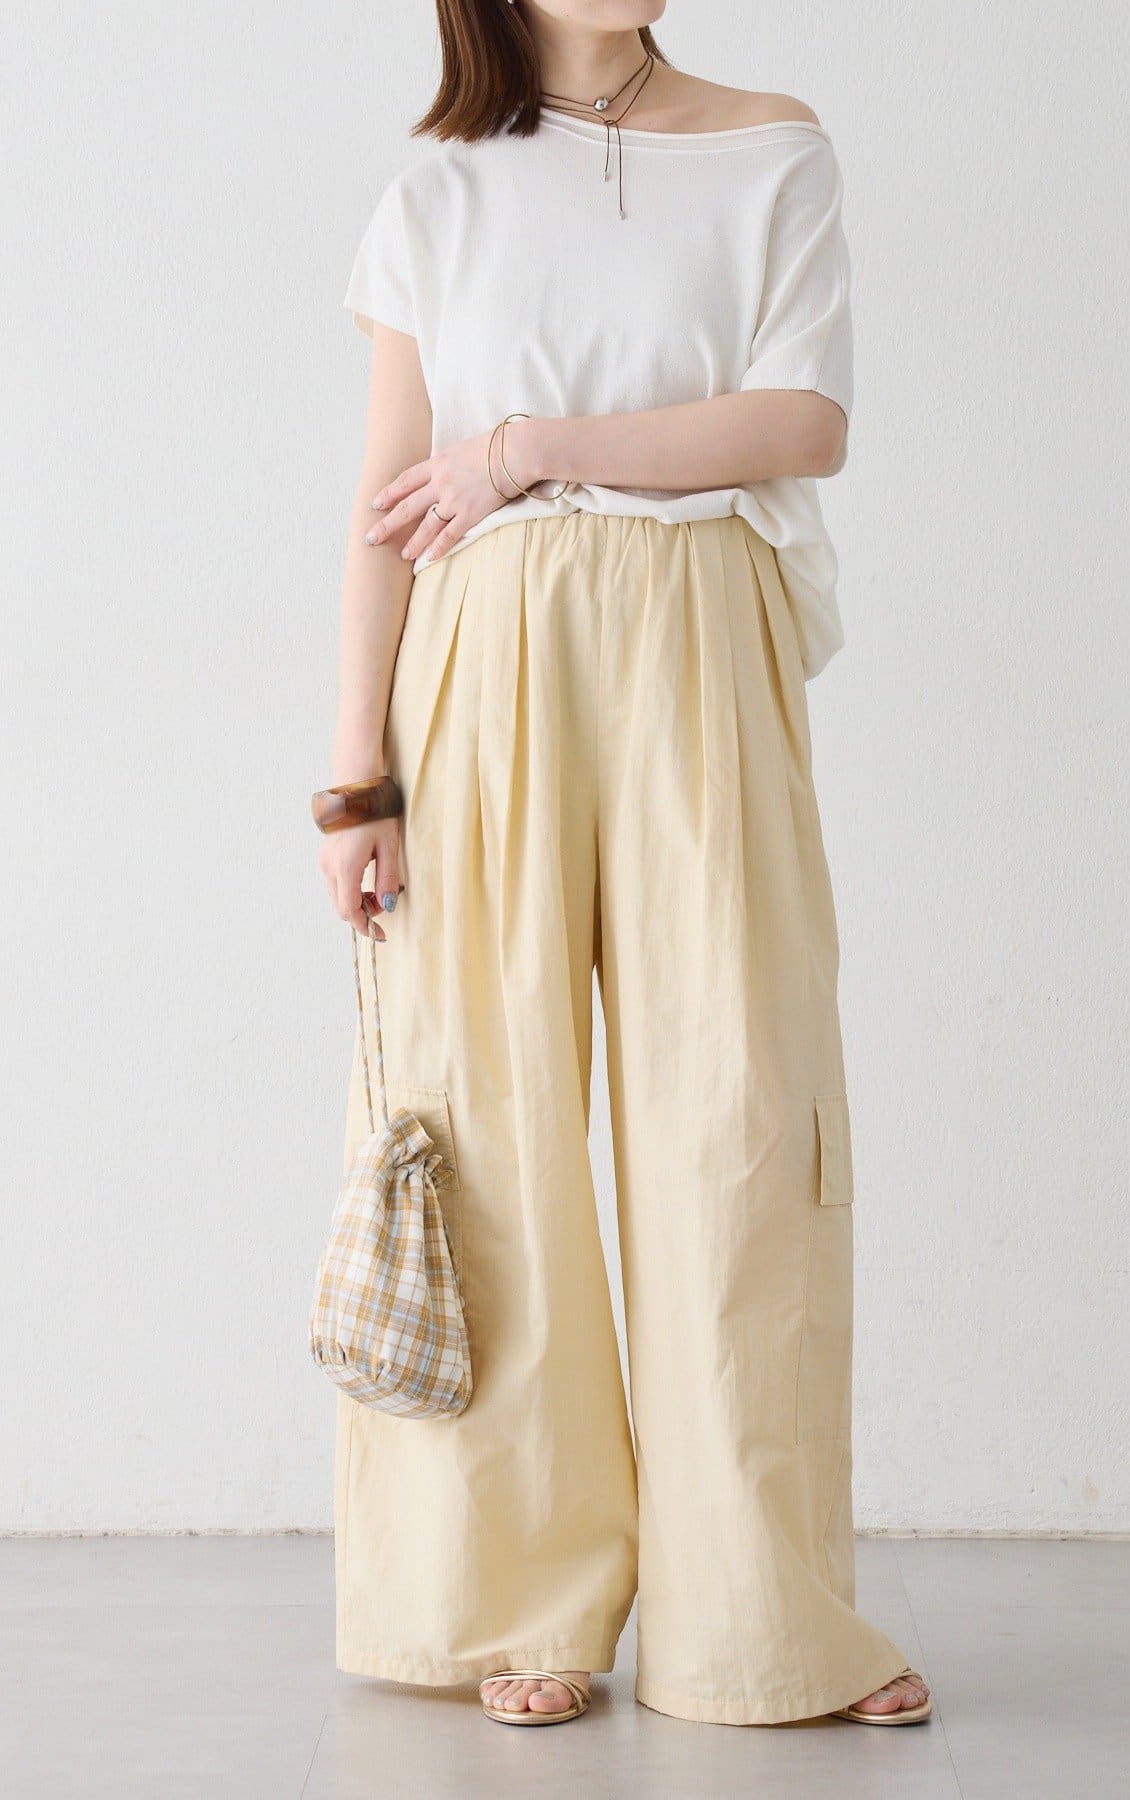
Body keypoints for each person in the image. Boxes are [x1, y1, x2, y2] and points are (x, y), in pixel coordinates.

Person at [317, 0, 932, 1732]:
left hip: (700, 640)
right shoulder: (440, 188)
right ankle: (518, 1604)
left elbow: (801, 423)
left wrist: (525, 448)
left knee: (739, 1113)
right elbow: (381, 509)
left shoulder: (772, 145)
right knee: (486, 1119)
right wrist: (353, 780)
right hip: (480, 662)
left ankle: (766, 1621)